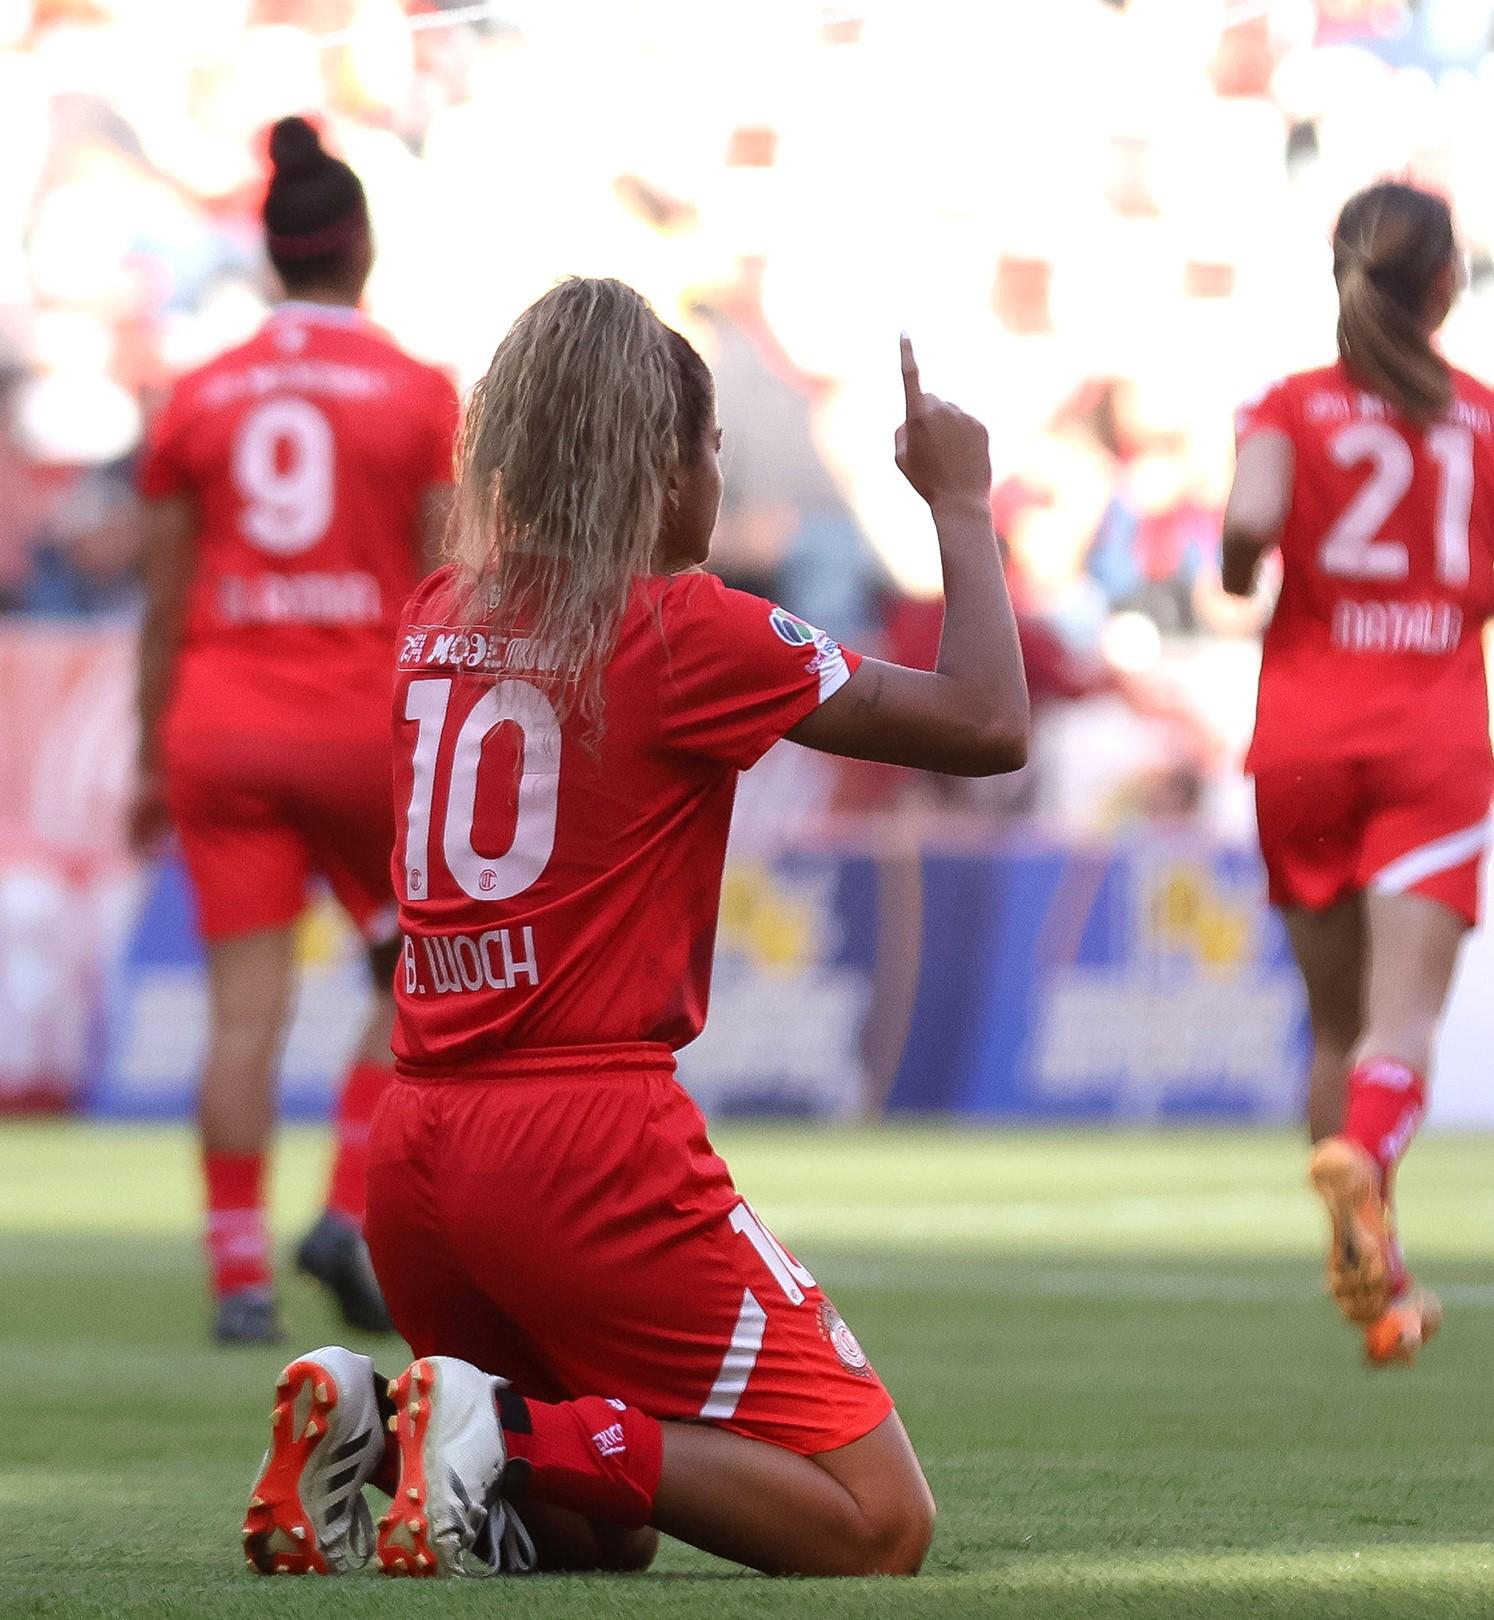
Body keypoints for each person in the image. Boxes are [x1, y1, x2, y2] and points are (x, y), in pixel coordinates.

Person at [240, 277, 1028, 1579]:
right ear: (659, 470)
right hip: (583, 1145)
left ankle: (384, 1426)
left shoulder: (440, 615)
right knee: (876, 1523)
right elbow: (986, 724)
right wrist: (957, 501)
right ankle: (483, 1429)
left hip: (420, 1147)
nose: (715, 480)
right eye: (708, 451)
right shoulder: (678, 630)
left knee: (607, 1530)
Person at [131, 117, 458, 1345]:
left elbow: (163, 603)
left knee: (242, 1014)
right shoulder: (419, 390)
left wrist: (141, 755)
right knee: (423, 969)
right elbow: (446, 583)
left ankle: (236, 1279)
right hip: (365, 729)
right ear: (361, 247)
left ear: (271, 258)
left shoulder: (200, 397)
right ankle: (340, 1207)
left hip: (221, 725)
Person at [1221, 180, 1494, 1367]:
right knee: (1401, 1021)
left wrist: (1249, 577)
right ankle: (1366, 1163)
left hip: (1301, 742)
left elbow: (1247, 528)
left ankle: (1382, 1290)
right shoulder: (1482, 421)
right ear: (1446, 288)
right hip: (1430, 739)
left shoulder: (1289, 406)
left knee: (1335, 1029)